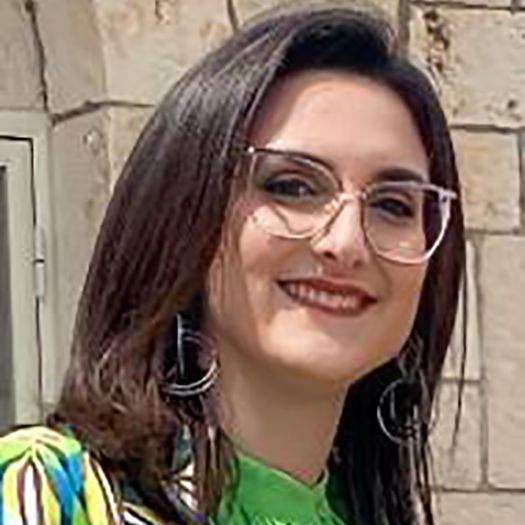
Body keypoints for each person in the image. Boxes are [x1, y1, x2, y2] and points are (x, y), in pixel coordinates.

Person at [0, 2, 465, 525]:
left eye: (393, 205)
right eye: (292, 186)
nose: (347, 242)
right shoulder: (50, 495)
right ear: (183, 216)